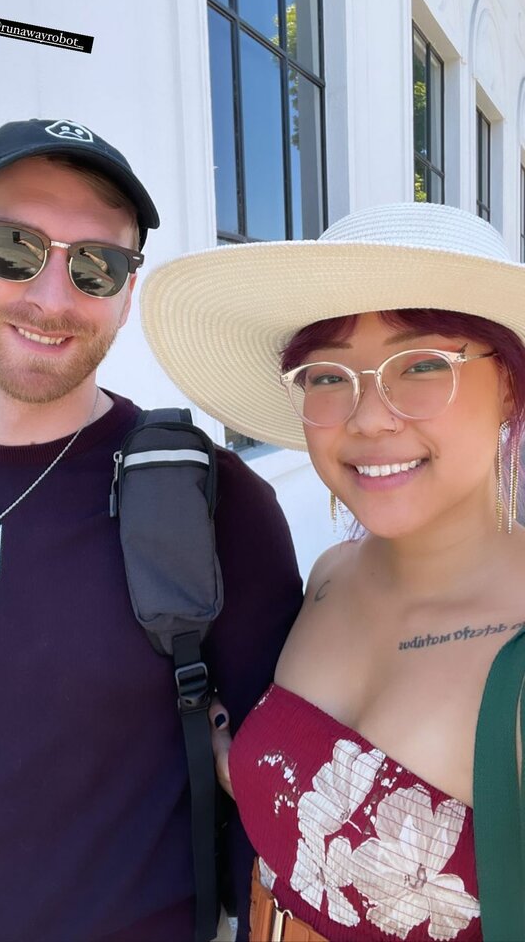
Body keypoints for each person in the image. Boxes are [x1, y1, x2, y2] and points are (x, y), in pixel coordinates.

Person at [0, 117, 303, 942]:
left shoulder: (215, 505)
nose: (54, 298)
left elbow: (270, 812)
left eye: (97, 265)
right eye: (14, 248)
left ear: (127, 294)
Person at [140, 201, 525, 942]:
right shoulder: (330, 577)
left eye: (422, 365)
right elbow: (331, 807)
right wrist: (248, 767)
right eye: (327, 374)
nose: (369, 418)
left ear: (509, 384)